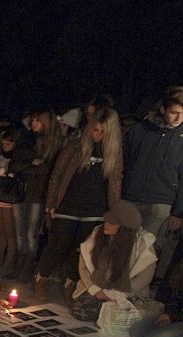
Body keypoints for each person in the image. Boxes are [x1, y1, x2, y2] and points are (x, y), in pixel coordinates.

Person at [35, 107, 123, 303]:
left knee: (83, 250)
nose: (98, 135)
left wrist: (114, 213)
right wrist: (51, 202)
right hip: (68, 205)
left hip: (95, 209)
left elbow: (116, 182)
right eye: (95, 130)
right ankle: (42, 278)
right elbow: (57, 175)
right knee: (57, 246)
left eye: (102, 132)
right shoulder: (75, 147)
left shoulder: (114, 152)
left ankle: (71, 283)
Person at [121, 86, 183, 281]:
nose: (179, 118)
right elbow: (128, 159)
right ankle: (117, 287)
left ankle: (137, 290)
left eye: (182, 113)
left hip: (161, 201)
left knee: (146, 250)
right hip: (132, 196)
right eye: (174, 112)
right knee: (124, 246)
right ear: (163, 109)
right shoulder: (141, 129)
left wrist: (178, 211)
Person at [70, 202, 157, 321]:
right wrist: (96, 290)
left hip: (126, 292)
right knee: (81, 312)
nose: (106, 224)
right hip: (98, 287)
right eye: (106, 221)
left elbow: (144, 278)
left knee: (118, 318)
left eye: (112, 223)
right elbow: (83, 268)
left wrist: (115, 295)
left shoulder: (143, 244)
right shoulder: (97, 235)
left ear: (124, 228)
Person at [10, 107, 62, 282]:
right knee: (19, 232)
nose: (33, 123)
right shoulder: (25, 140)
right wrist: (32, 163)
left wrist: (29, 166)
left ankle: (27, 268)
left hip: (38, 193)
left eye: (37, 120)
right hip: (21, 191)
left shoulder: (53, 143)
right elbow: (14, 165)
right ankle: (19, 266)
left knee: (31, 233)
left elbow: (48, 169)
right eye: (32, 120)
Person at [132, 242, 183, 337]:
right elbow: (176, 298)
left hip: (179, 318)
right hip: (176, 316)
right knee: (136, 332)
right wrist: (169, 314)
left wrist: (174, 318)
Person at [0, 128, 25, 272]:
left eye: (8, 144)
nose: (5, 147)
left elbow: (14, 179)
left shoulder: (17, 160)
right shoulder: (0, 159)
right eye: (3, 144)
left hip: (9, 200)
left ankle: (9, 260)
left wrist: (2, 174)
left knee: (10, 232)